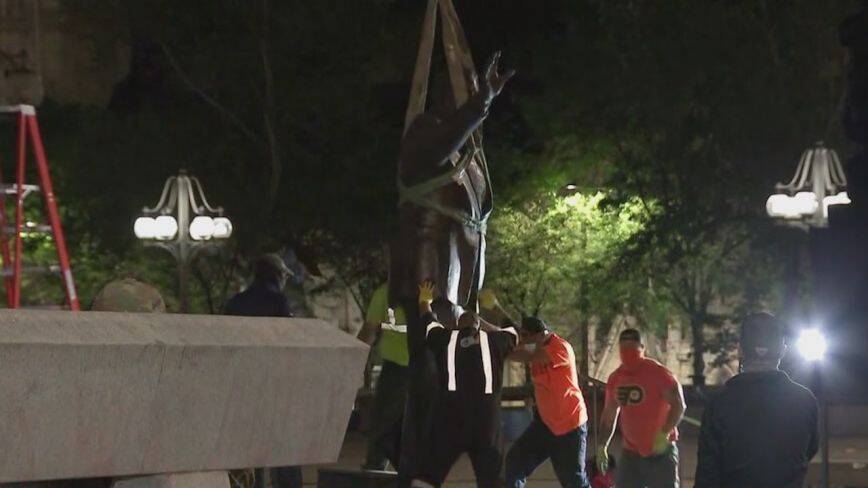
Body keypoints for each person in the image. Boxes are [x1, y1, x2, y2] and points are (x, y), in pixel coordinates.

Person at [412, 281, 518, 488]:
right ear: (479, 325)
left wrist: (424, 301)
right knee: (491, 479)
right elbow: (515, 331)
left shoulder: (445, 339)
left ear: (456, 325)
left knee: (429, 473)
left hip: (451, 416)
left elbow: (428, 322)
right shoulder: (495, 342)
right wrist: (495, 307)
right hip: (486, 421)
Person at [694, 313, 819, 487]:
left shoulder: (719, 404)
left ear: (740, 350)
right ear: (783, 351)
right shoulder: (806, 400)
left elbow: (707, 473)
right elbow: (809, 450)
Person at [223, 253, 302, 488]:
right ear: (278, 276)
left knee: (248, 445)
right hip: (275, 383)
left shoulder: (235, 302)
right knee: (285, 445)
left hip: (243, 383)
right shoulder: (279, 302)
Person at [505, 316, 590, 488]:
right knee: (515, 462)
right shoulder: (535, 347)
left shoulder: (560, 347)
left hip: (570, 425)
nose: (524, 340)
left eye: (526, 336)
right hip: (545, 425)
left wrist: (507, 348)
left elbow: (531, 357)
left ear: (540, 334)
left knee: (573, 480)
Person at [598, 329, 686, 488]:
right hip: (630, 453)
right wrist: (602, 445)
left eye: (632, 347)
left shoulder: (659, 374)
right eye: (624, 348)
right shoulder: (616, 379)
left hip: (660, 451)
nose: (628, 352)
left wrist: (664, 432)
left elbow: (678, 405)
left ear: (642, 348)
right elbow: (609, 414)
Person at [357, 282, 409, 471]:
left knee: (382, 428)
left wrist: (352, 361)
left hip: (395, 372)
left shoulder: (385, 293)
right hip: (425, 372)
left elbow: (368, 332)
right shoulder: (433, 292)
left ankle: (375, 472)